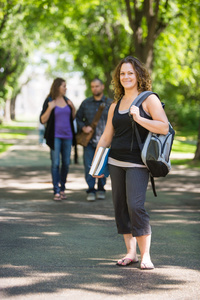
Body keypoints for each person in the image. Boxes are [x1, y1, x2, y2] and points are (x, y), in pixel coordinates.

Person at [93, 56, 169, 269]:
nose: (125, 76)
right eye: (122, 73)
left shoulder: (148, 99)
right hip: (116, 162)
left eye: (130, 73)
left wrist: (139, 118)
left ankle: (146, 255)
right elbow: (107, 136)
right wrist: (97, 165)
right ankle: (130, 253)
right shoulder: (114, 105)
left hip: (138, 162)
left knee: (135, 206)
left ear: (138, 75)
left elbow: (164, 127)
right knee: (120, 207)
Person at [76, 78, 112, 202]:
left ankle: (101, 189)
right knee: (89, 166)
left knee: (103, 165)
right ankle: (91, 190)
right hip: (89, 142)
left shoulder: (110, 103)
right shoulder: (85, 103)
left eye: (97, 86)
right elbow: (78, 118)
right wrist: (83, 127)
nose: (94, 88)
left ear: (102, 87)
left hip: (105, 141)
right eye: (92, 86)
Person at [40, 77, 76, 201]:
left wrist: (73, 108)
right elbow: (42, 120)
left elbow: (73, 118)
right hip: (55, 137)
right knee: (55, 164)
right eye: (64, 86)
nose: (66, 88)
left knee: (66, 163)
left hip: (68, 136)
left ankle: (62, 189)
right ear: (57, 87)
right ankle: (56, 190)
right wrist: (50, 108)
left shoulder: (67, 101)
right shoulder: (49, 100)